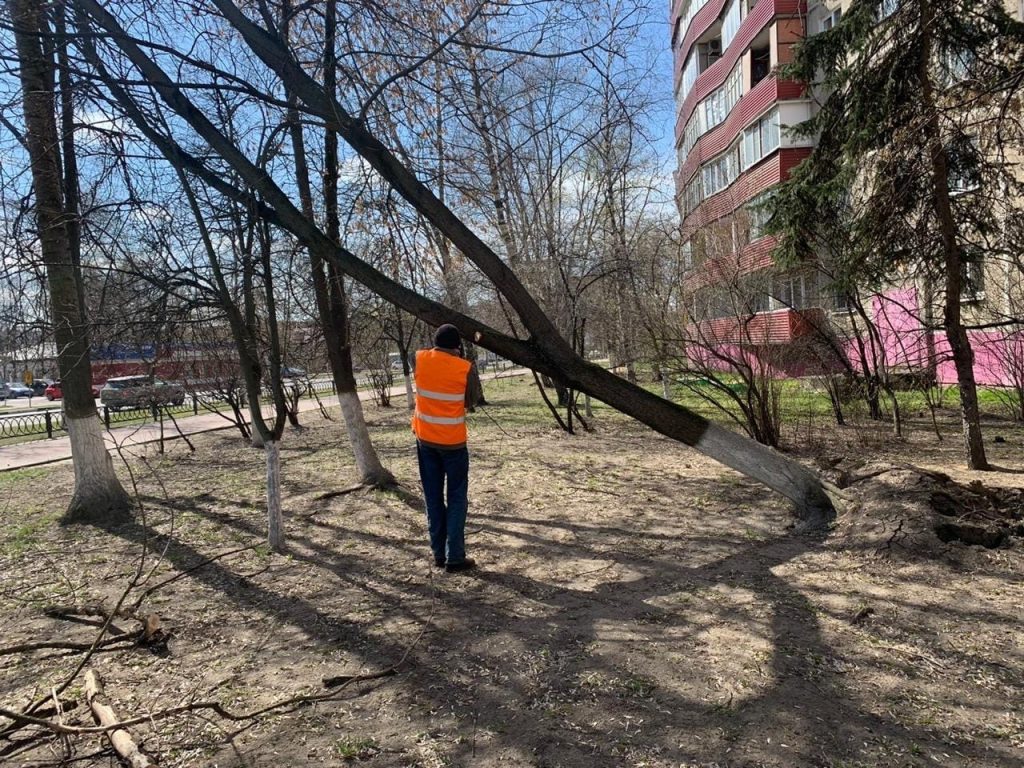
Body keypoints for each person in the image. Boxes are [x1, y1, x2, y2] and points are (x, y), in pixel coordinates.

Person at [412, 324, 481, 573]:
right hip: (453, 444)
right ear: (458, 346)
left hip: (425, 440)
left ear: (435, 342)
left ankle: (439, 554)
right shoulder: (464, 368)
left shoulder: (419, 359)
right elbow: (471, 401)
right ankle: (455, 557)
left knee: (432, 497)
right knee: (456, 497)